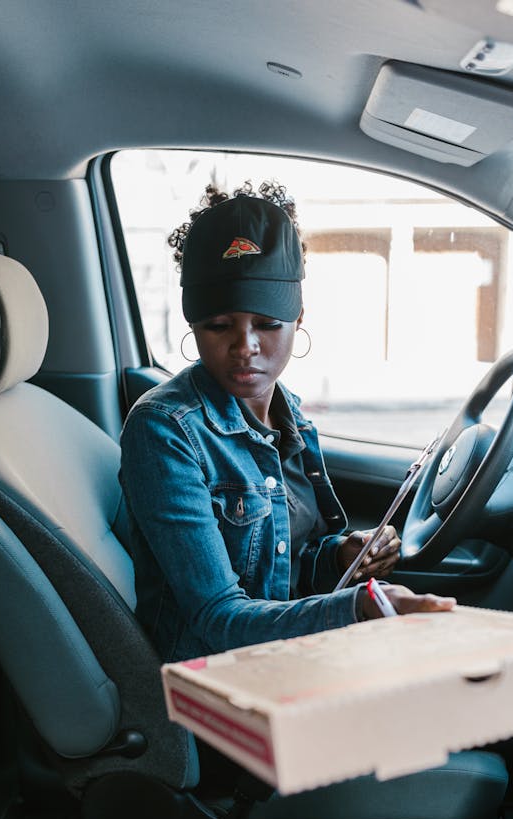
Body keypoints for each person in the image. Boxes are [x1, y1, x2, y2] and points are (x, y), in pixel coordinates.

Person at [119, 181, 454, 669]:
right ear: (193, 325)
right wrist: (360, 607)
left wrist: (340, 555)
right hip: (218, 688)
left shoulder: (289, 412)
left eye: (268, 324)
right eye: (219, 326)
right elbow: (219, 619)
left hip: (288, 656)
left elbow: (285, 564)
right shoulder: (165, 430)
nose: (245, 346)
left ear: (298, 316)